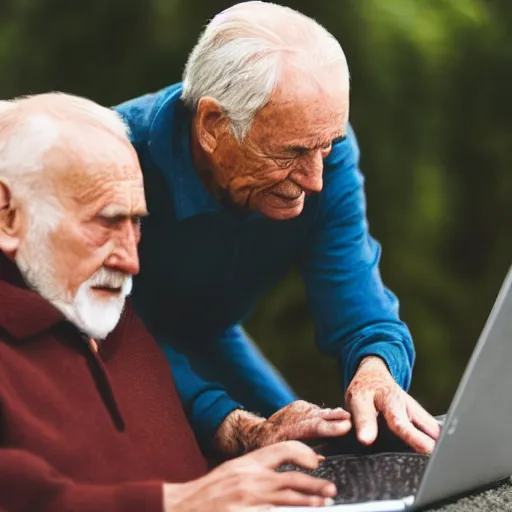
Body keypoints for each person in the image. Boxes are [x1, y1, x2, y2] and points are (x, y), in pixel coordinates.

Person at [114, 0, 440, 458]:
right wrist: (232, 425)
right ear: (212, 125)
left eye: (326, 148)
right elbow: (103, 330)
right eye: (291, 153)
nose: (315, 180)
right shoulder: (112, 161)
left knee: (318, 458)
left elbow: (356, 294)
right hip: (104, 348)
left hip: (210, 332)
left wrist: (376, 369)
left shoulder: (321, 146)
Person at [0, 92, 351, 511]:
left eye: (136, 223)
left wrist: (252, 440)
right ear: (8, 216)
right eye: (106, 221)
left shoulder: (102, 306)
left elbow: (177, 471)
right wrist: (175, 503)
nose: (131, 261)